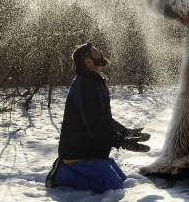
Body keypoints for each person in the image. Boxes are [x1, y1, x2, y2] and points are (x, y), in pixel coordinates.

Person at [45, 42, 150, 193]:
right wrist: (123, 143)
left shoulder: (95, 81)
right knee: (114, 187)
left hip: (93, 152)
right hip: (79, 155)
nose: (101, 53)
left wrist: (126, 132)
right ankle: (61, 174)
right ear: (89, 62)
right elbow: (95, 127)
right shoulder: (86, 85)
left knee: (122, 179)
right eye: (96, 52)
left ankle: (85, 168)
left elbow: (104, 120)